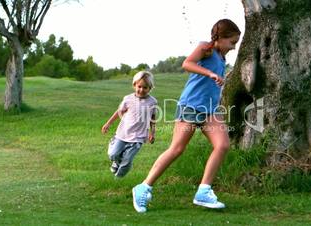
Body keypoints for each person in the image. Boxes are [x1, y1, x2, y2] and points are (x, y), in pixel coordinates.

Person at [132, 19, 241, 213]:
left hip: (210, 109)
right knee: (176, 149)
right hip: (190, 106)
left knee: (222, 145)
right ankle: (143, 187)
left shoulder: (222, 57)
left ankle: (203, 191)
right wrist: (209, 74)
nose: (233, 47)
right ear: (221, 38)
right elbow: (187, 63)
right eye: (232, 42)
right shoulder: (205, 48)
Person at [102, 71, 157, 178]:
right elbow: (119, 112)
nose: (141, 90)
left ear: (150, 88)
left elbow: (153, 119)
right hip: (123, 133)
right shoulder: (128, 99)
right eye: (139, 86)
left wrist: (152, 133)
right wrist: (108, 123)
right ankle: (116, 161)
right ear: (134, 85)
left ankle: (118, 179)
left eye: (145, 87)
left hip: (138, 136)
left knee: (127, 160)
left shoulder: (152, 102)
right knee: (113, 154)